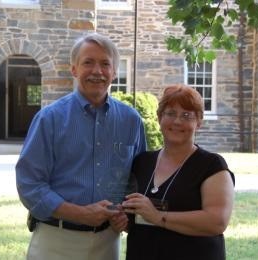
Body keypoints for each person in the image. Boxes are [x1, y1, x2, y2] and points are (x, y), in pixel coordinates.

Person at [15, 33, 146, 260]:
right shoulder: (49, 119)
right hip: (55, 241)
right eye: (88, 62)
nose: (97, 71)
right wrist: (81, 214)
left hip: (108, 243)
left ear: (114, 71)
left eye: (105, 64)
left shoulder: (131, 121)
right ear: (74, 69)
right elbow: (29, 185)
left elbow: (138, 180)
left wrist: (127, 213)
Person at [117, 84, 235, 260]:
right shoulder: (141, 162)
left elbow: (217, 221)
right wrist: (122, 220)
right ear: (159, 117)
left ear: (199, 122)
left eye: (187, 115)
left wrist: (159, 217)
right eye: (170, 113)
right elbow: (135, 218)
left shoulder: (212, 165)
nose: (177, 121)